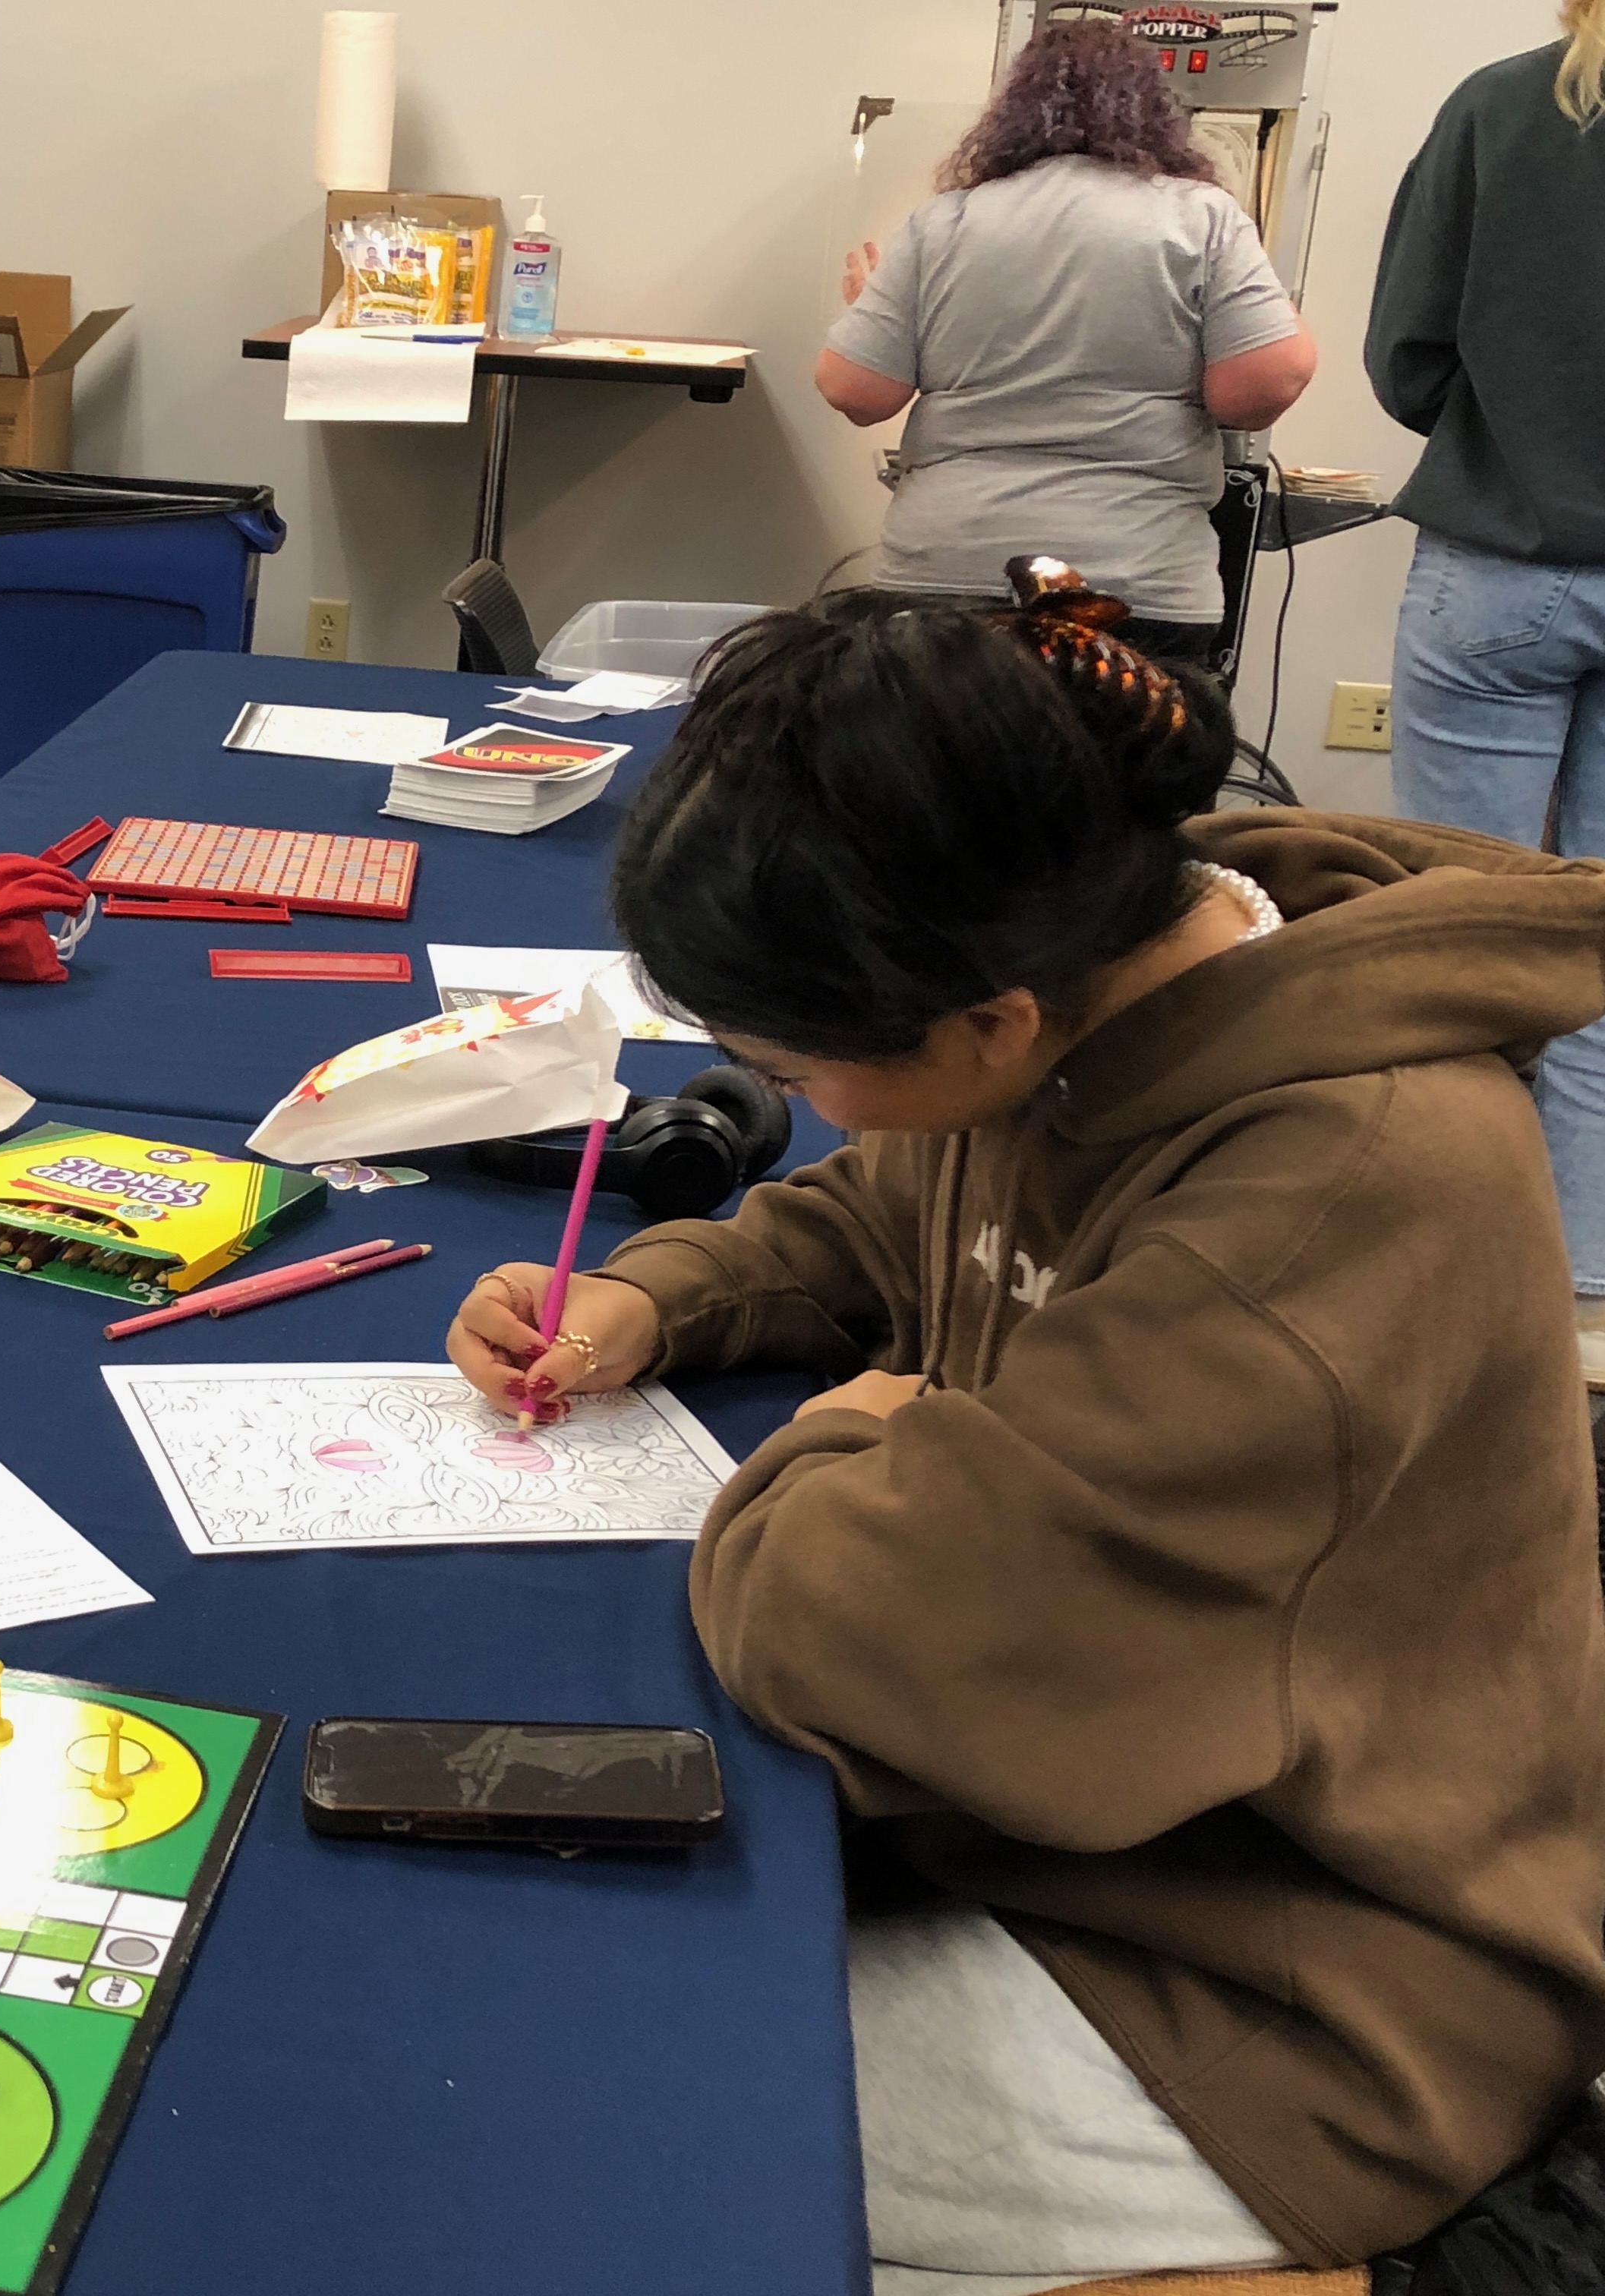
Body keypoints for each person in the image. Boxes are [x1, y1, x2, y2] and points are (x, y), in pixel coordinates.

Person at [447, 585, 1605, 2285]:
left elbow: (868, 1640)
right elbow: (888, 1203)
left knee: (578, 2121)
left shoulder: (1321, 1203)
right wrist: (664, 1296)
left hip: (1295, 1995)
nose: (787, 1092)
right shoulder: (1106, 981)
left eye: (790, 1060)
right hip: (1105, 1837)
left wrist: (839, 1450)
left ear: (986, 1024)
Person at [1368, 5, 1605, 1384]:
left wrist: (1514, 429)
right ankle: (1572, 1296)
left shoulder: (1500, 105)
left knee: (1459, 942)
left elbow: (1408, 353)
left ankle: (1444, 1276)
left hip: (1495, 569)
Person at [818, 22, 1318, 666]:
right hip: (1138, 582)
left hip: (950, 575)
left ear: (1010, 115)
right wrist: (1282, 321)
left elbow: (857, 391)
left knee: (948, 767)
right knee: (1119, 765)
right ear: (1155, 112)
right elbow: (1255, 394)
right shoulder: (1200, 217)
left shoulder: (944, 222)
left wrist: (878, 316)